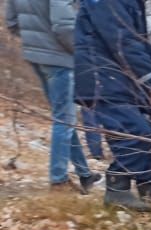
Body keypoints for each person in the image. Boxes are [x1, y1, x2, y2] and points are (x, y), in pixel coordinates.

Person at [74, 0, 151, 210]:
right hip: (101, 73)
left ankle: (149, 192)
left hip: (120, 74)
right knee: (132, 130)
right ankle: (117, 189)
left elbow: (135, 40)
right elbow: (122, 42)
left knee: (147, 130)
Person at [5, 0, 101, 193]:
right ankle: (58, 181)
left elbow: (12, 22)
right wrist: (80, 53)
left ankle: (84, 174)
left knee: (63, 116)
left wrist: (35, 43)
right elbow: (64, 26)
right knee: (64, 120)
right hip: (59, 59)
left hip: (35, 56)